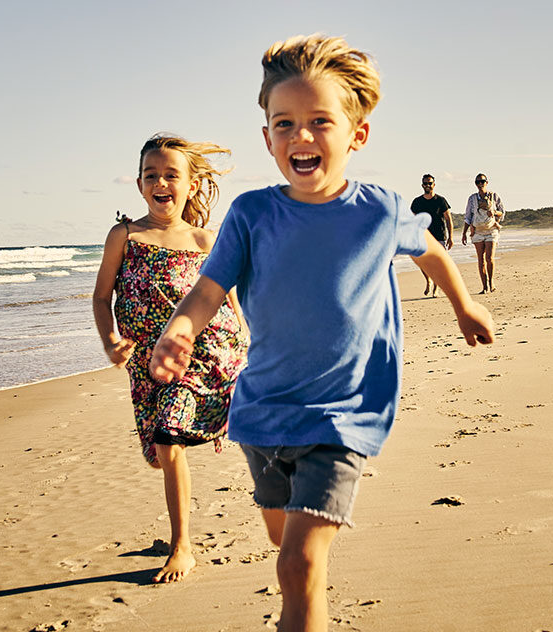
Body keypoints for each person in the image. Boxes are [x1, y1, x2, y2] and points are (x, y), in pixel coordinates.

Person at [148, 36, 495, 631]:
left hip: (343, 415)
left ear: (357, 134)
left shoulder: (378, 209)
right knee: (290, 559)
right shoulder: (252, 214)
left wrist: (464, 306)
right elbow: (209, 289)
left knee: (299, 564)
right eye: (284, 124)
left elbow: (432, 249)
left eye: (319, 122)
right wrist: (179, 328)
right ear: (267, 138)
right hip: (262, 415)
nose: (300, 137)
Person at [92, 134, 248, 584]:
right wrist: (110, 340)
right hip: (148, 363)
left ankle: (183, 547)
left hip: (208, 354)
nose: (161, 182)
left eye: (171, 175)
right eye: (151, 175)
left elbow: (232, 302)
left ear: (192, 184)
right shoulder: (124, 235)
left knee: (168, 437)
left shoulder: (205, 239)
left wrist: (249, 340)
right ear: (140, 184)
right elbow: (102, 297)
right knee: (163, 449)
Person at [460, 173, 505, 294]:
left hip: (491, 230)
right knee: (480, 259)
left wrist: (494, 212)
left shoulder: (494, 196)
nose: (480, 184)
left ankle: (491, 282)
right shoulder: (472, 198)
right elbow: (468, 217)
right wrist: (464, 233)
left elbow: (502, 212)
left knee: (489, 258)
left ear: (487, 182)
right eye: (478, 182)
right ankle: (484, 286)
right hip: (477, 231)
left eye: (482, 181)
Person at [410, 174, 453, 297]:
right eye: (425, 183)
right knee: (422, 262)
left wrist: (450, 237)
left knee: (438, 264)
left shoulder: (440, 200)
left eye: (430, 183)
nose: (427, 185)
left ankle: (436, 288)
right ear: (422, 185)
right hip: (423, 236)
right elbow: (412, 220)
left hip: (440, 236)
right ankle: (428, 280)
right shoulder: (417, 202)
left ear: (434, 185)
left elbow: (448, 219)